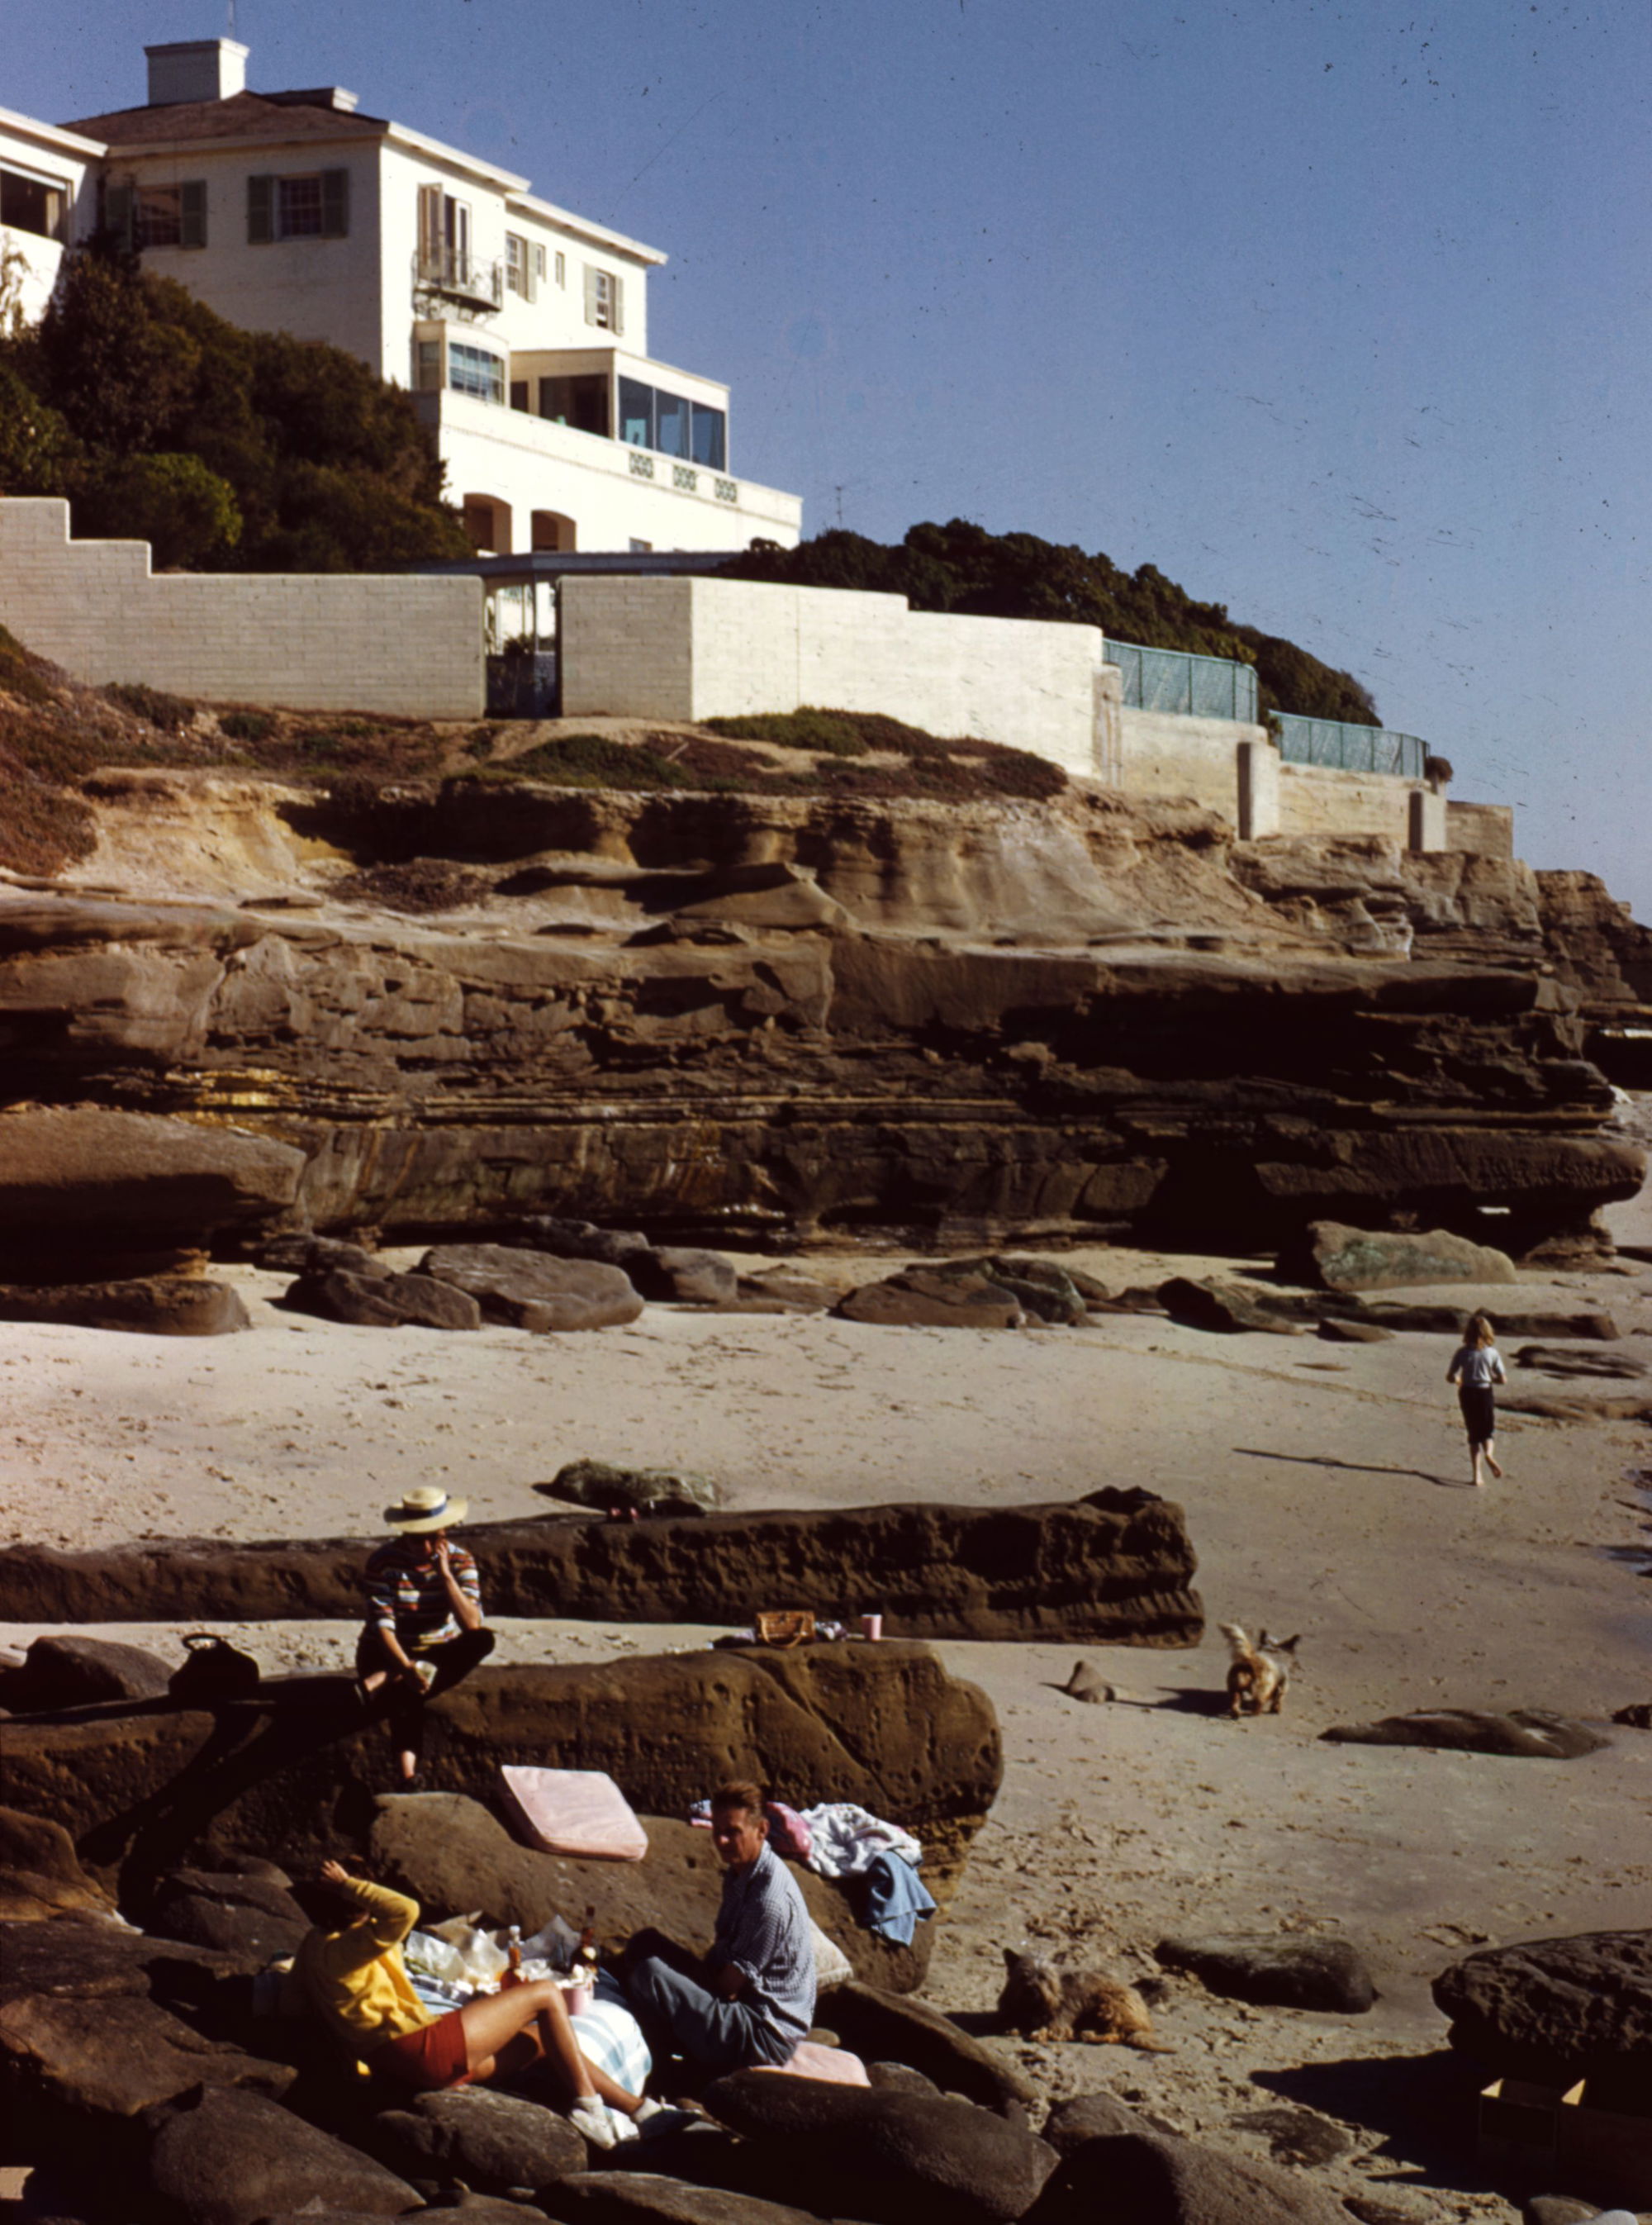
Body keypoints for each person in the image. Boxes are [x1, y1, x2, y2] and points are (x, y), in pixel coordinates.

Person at [283, 1859, 659, 2146]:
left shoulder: (314, 1946)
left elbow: (293, 2005)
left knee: (541, 2040)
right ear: (356, 1899)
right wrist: (348, 1884)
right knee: (545, 1995)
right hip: (423, 2050)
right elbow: (406, 1911)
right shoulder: (349, 1945)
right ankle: (589, 2108)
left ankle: (638, 2109)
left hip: (405, 2063)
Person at [620, 1780, 815, 2079]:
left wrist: (680, 1987)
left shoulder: (770, 1902)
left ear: (761, 1830)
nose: (721, 1842)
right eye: (717, 1832)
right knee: (646, 1942)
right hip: (741, 1998)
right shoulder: (741, 1872)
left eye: (733, 1832)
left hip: (762, 2034)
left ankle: (661, 2058)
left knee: (650, 1975)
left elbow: (728, 1984)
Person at [358, 1486, 496, 1785]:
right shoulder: (383, 1562)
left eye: (433, 1536)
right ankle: (408, 1774)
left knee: (484, 1640)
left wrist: (445, 1575)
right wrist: (404, 1667)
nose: (424, 1545)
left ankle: (387, 1679)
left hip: (436, 1654)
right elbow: (382, 1626)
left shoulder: (460, 1561)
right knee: (411, 1690)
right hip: (388, 1652)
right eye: (416, 1537)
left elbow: (472, 1623)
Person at [1446, 1313, 1507, 1488]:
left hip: (1467, 1393)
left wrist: (1459, 1380)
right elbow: (1503, 1380)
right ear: (1488, 1332)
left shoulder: (1462, 1352)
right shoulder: (1492, 1353)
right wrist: (1489, 1378)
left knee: (1473, 1433)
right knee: (1487, 1431)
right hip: (1484, 1392)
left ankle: (1477, 1475)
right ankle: (1489, 1454)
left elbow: (1451, 1376)